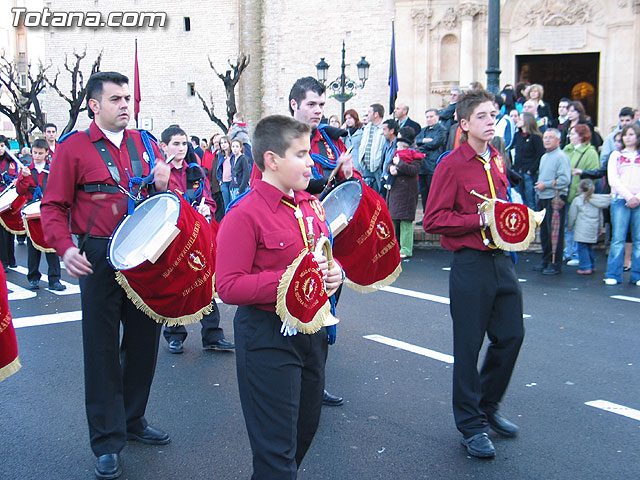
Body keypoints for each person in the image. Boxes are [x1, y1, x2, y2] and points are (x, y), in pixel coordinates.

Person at [41, 71, 172, 480]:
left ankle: (132, 420)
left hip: (143, 253)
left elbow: (161, 198)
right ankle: (107, 440)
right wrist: (64, 247)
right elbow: (52, 206)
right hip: (97, 254)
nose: (125, 105)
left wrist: (165, 183)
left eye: (127, 98)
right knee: (100, 350)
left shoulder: (144, 144)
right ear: (94, 106)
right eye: (115, 99)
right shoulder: (73, 149)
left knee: (144, 342)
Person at [216, 114, 344, 478]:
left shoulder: (311, 205)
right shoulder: (244, 214)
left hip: (312, 333)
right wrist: (291, 281)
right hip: (268, 337)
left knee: (303, 435)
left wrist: (335, 274)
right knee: (276, 455)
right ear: (272, 159)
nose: (311, 162)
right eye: (301, 154)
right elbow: (227, 286)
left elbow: (323, 257)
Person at [423, 89, 524, 459]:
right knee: (467, 348)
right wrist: (478, 219)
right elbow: (433, 219)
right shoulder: (451, 164)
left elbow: (501, 206)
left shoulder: (497, 158)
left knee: (511, 336)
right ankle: (471, 425)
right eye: (482, 116)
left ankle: (488, 406)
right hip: (470, 264)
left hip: (502, 260)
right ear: (465, 124)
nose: (491, 120)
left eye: (493, 114)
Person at [159, 125, 235, 354]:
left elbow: (210, 200)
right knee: (174, 284)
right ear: (164, 146)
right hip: (171, 238)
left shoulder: (196, 171)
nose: (181, 148)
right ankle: (174, 334)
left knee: (205, 282)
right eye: (176, 144)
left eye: (184, 143)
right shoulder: (160, 173)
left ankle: (212, 334)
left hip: (198, 234)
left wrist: (206, 208)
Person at [15, 138, 65, 291]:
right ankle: (33, 278)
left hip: (49, 211)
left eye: (40, 153)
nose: (36, 156)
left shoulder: (52, 170)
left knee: (52, 246)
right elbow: (20, 191)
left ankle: (54, 280)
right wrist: (22, 178)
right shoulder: (26, 170)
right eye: (34, 153)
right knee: (33, 247)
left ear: (46, 154)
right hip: (32, 212)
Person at [604, 124, 640, 285]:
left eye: (631, 134)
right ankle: (613, 274)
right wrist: (628, 197)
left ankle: (637, 275)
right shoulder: (616, 155)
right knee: (618, 238)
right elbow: (613, 179)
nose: (628, 137)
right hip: (620, 200)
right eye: (625, 134)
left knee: (638, 240)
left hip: (638, 200)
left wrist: (637, 198)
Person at [533, 129, 571, 275]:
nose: (547, 140)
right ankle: (546, 260)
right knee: (544, 232)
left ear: (558, 140)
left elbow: (565, 180)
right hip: (543, 197)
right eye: (546, 137)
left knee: (554, 233)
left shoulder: (561, 157)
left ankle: (555, 263)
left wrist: (546, 184)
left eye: (551, 138)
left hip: (555, 198)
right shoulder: (545, 156)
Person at [563, 124, 600, 265]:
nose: (570, 137)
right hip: (567, 192)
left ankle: (577, 255)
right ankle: (569, 252)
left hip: (580, 195)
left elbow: (594, 173)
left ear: (581, 136)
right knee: (568, 224)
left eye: (573, 134)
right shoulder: (567, 150)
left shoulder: (591, 153)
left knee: (579, 226)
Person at [386, 129, 424, 258]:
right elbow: (389, 164)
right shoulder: (396, 154)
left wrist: (399, 165)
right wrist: (391, 167)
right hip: (396, 189)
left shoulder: (416, 155)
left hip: (407, 190)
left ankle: (406, 249)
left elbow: (414, 170)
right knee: (393, 218)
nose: (397, 148)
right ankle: (394, 246)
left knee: (405, 220)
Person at [567, 179, 610, 275]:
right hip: (593, 228)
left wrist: (570, 226)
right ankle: (592, 265)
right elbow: (600, 216)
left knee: (582, 247)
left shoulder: (577, 200)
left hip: (581, 229)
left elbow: (572, 215)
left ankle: (585, 267)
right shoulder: (597, 201)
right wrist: (600, 228)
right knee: (590, 247)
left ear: (580, 189)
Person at [415, 108, 447, 213]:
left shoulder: (441, 130)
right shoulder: (424, 130)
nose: (429, 119)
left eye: (431, 116)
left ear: (437, 117)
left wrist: (422, 146)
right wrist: (424, 141)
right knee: (424, 193)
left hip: (433, 165)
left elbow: (435, 144)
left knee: (433, 193)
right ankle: (426, 215)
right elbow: (416, 141)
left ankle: (434, 215)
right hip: (423, 166)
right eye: (427, 117)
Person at [513, 112, 545, 209]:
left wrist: (531, 170)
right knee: (518, 199)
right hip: (517, 173)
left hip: (529, 173)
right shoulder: (517, 135)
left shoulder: (536, 137)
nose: (518, 120)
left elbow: (540, 155)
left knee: (530, 200)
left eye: (521, 118)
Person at [357, 103, 386, 192]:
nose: (367, 114)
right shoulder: (367, 128)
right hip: (366, 166)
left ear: (376, 114)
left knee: (380, 192)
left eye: (369, 112)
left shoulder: (384, 128)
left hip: (378, 167)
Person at [0, 135, 19, 271]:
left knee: (9, 229)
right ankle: (3, 261)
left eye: (2, 145)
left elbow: (19, 176)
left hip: (9, 199)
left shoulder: (12, 161)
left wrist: (16, 180)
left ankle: (11, 259)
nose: (0, 149)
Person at [215, 135, 235, 210]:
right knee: (226, 205)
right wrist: (220, 180)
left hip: (232, 182)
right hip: (224, 182)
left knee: (233, 203)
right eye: (221, 143)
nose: (223, 144)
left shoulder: (233, 155)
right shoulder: (220, 155)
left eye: (225, 142)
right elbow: (219, 169)